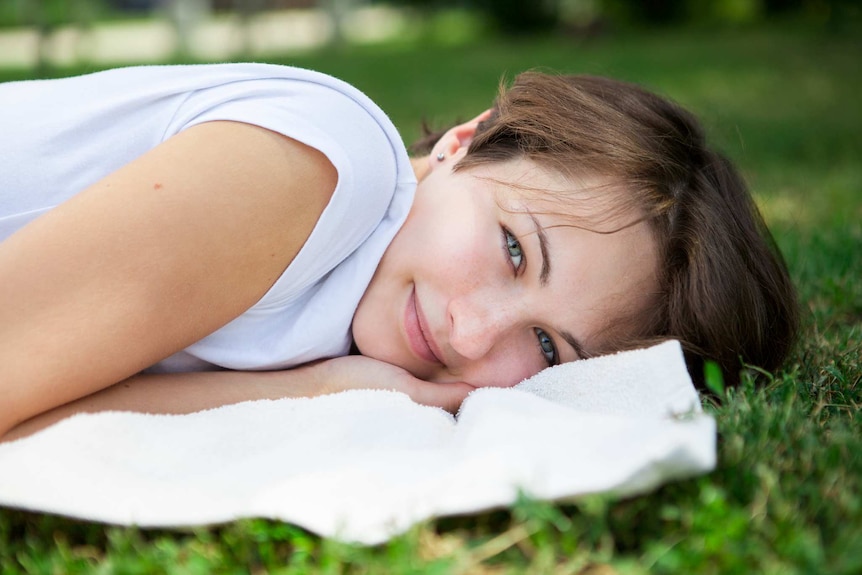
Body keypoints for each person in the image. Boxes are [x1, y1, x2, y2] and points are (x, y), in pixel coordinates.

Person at [0, 63, 797, 441]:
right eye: (516, 250)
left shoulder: (355, 318)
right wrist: (316, 391)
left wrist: (329, 387)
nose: (473, 334)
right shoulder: (324, 169)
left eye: (549, 347)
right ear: (463, 142)